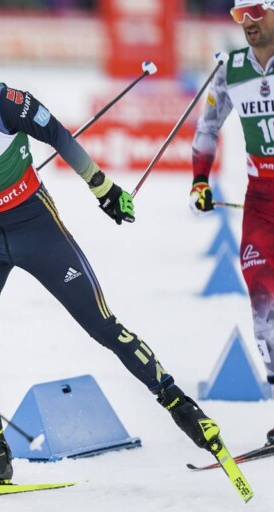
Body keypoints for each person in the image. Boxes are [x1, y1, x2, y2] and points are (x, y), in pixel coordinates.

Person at [0, 28, 225, 485]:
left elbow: (57, 134)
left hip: (34, 226)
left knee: (101, 326)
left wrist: (103, 187)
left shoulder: (0, 102)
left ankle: (179, 404)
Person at [191, 0, 274, 447]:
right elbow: (208, 126)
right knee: (262, 303)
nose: (248, 23)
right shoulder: (232, 69)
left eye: (257, 12)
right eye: (240, 15)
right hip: (261, 199)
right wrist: (198, 181)